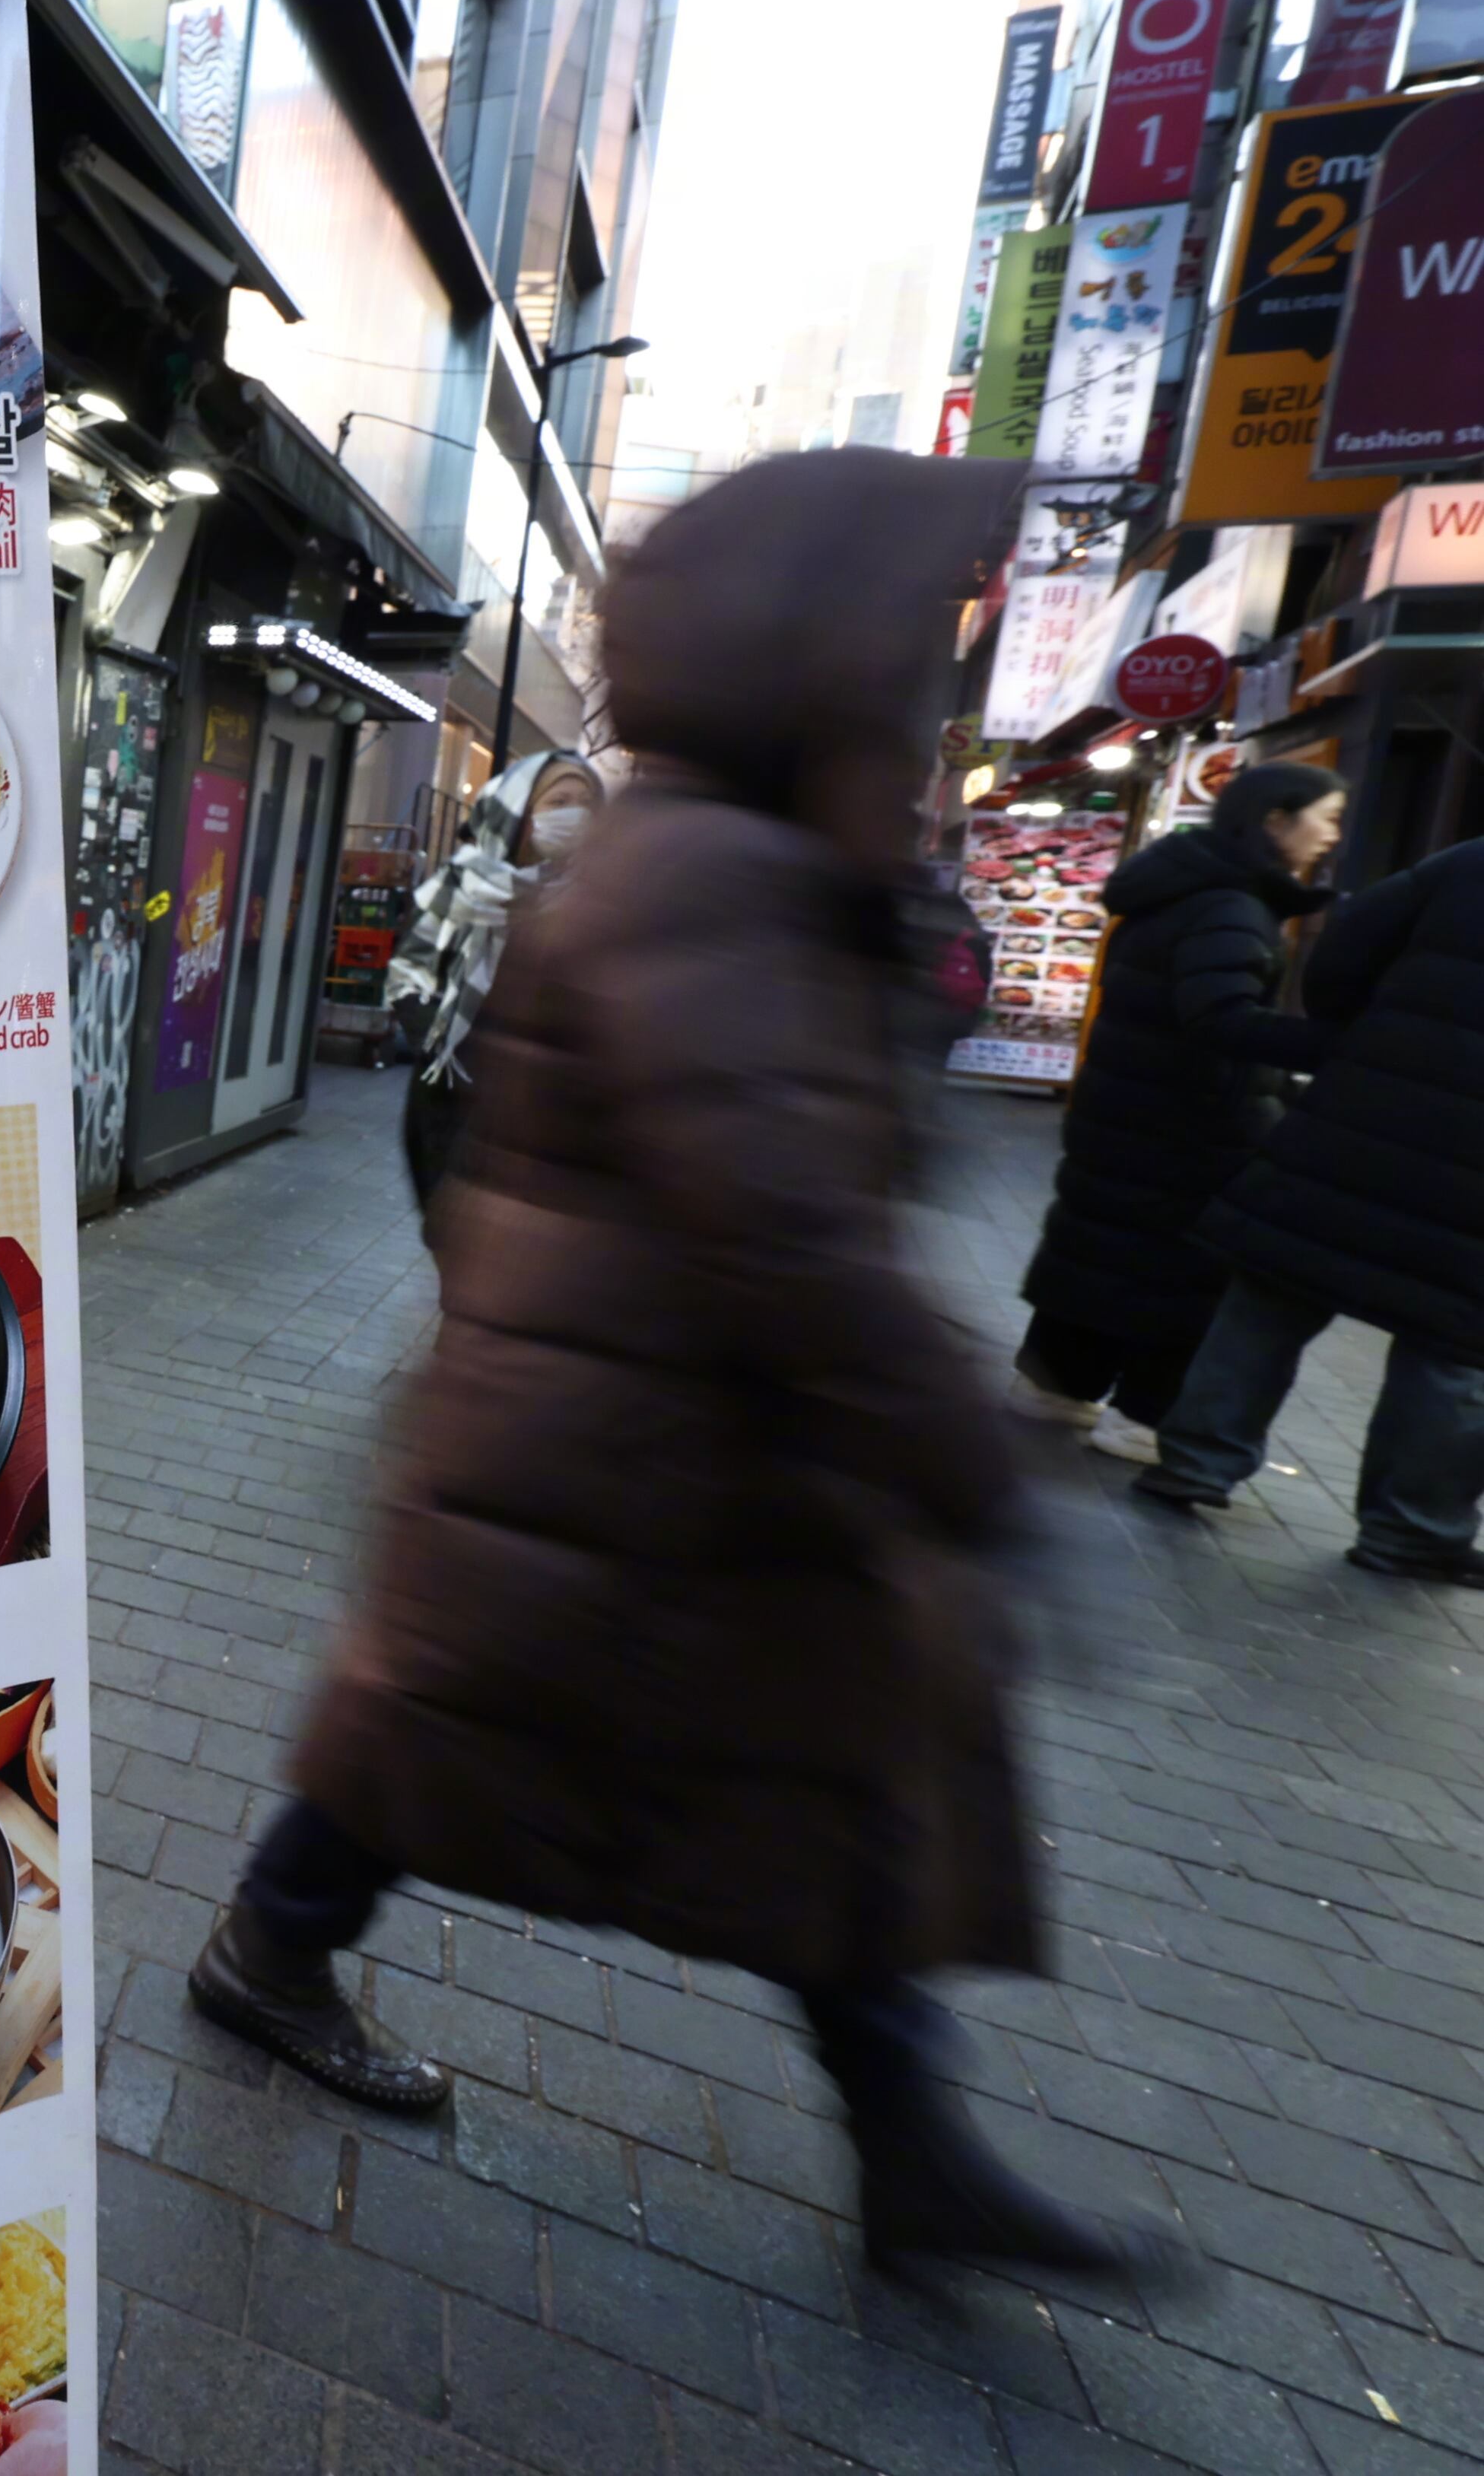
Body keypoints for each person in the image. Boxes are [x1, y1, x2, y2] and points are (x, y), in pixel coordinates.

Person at [186, 450, 1163, 2277]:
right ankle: (273, 1942)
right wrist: (988, 1480)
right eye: (905, 666)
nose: (926, 710)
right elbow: (792, 1232)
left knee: (757, 1765)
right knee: (523, 1732)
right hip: (631, 1442)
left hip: (644, 1433)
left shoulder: (714, 855)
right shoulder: (710, 875)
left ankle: (908, 2139)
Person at [1135, 835, 1484, 1581]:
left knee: (1275, 1287)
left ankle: (1195, 1460)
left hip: (1371, 1105)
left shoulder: (1467, 861)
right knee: (1455, 1342)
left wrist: (1369, 1030)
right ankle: (1411, 1529)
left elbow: (1348, 940)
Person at [1012, 763, 1347, 1465]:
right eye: (1328, 816)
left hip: (1133, 1112)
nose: (1332, 834)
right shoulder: (1230, 905)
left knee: (1106, 1244)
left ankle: (1056, 1386)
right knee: (1187, 1271)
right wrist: (1332, 1045)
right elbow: (1218, 1016)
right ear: (1275, 820)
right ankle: (1144, 1415)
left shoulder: (1183, 891)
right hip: (1188, 1127)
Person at [385, 749, 602, 1206]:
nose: (574, 816)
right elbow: (410, 983)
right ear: (519, 812)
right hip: (455, 1116)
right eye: (558, 802)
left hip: (553, 1136)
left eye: (585, 803)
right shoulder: (457, 890)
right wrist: (463, 1061)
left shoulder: (601, 905)